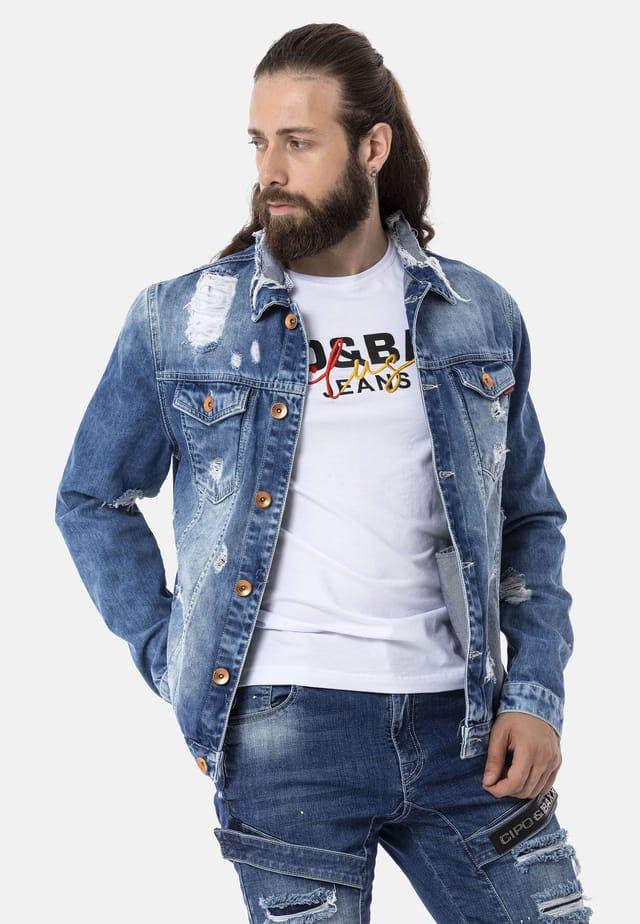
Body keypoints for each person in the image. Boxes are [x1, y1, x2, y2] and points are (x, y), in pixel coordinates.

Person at [54, 22, 592, 924]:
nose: (271, 170)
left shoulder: (475, 313)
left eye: (299, 143)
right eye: (260, 142)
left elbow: (528, 517)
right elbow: (91, 497)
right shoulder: (183, 321)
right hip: (285, 729)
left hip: (466, 729)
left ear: (372, 148)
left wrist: (535, 693)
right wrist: (173, 653)